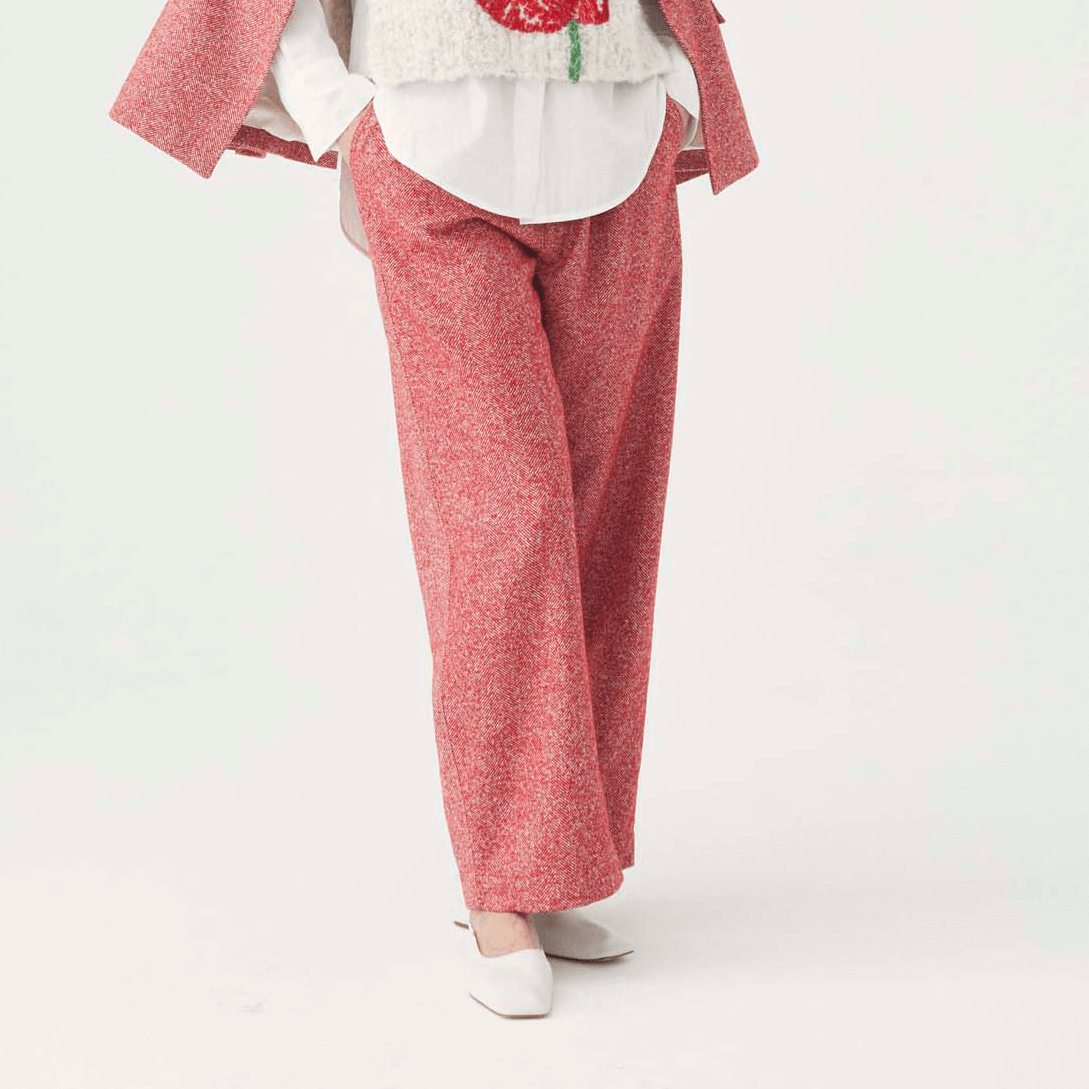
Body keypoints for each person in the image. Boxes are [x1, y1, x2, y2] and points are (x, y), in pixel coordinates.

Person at [108, 0, 759, 1019]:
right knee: (502, 523)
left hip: (620, 150)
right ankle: (499, 884)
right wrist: (340, 115)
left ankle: (551, 867)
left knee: (602, 521)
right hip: (431, 155)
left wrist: (675, 87)